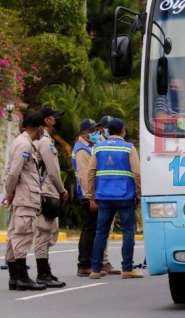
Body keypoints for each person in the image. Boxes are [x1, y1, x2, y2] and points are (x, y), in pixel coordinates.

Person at [87, 118, 143, 279]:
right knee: (127, 232)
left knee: (101, 232)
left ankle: (96, 270)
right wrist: (139, 194)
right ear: (123, 130)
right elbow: (137, 173)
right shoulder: (128, 148)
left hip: (104, 196)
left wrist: (91, 194)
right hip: (125, 196)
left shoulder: (98, 148)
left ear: (107, 131)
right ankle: (127, 269)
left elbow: (91, 172)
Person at [3, 112, 46, 291]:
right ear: (39, 128)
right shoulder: (24, 145)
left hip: (22, 196)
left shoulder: (20, 141)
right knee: (22, 236)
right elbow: (13, 173)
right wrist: (10, 192)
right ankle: (22, 278)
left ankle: (14, 278)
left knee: (14, 236)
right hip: (25, 197)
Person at [72, 118, 120, 277]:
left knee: (90, 229)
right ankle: (84, 264)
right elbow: (84, 176)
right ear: (83, 133)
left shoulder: (89, 147)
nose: (95, 133)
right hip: (88, 195)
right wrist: (90, 197)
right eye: (91, 131)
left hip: (92, 194)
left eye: (95, 130)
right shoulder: (81, 150)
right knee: (90, 230)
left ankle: (90, 263)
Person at [32, 106, 69, 288]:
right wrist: (62, 190)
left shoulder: (44, 140)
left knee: (47, 233)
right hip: (45, 191)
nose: (57, 120)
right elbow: (53, 171)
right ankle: (42, 274)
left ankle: (46, 271)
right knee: (43, 233)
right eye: (55, 117)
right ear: (47, 120)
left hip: (45, 190)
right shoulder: (45, 142)